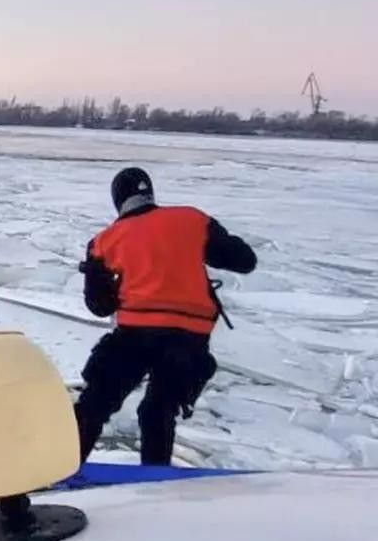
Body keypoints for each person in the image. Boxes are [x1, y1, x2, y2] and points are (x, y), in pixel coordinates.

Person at [73, 166, 257, 466]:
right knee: (158, 411)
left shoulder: (105, 241)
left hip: (134, 334)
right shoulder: (193, 220)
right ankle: (156, 480)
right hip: (189, 338)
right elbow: (244, 260)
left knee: (96, 403)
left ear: (117, 200)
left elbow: (100, 306)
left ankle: (63, 469)